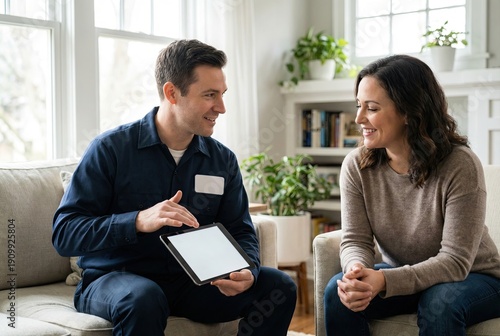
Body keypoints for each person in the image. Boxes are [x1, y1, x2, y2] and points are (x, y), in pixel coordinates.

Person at [53, 39, 297, 336]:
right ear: (172, 93)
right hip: (116, 279)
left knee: (278, 286)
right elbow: (65, 233)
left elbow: (241, 229)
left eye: (222, 94)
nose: (221, 107)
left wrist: (248, 270)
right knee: (144, 298)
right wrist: (137, 221)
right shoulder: (111, 149)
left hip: (191, 284)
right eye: (210, 95)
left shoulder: (222, 160)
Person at [324, 54, 500, 335]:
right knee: (338, 292)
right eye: (359, 105)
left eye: (371, 108)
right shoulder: (356, 166)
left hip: (474, 277)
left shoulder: (460, 164)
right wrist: (356, 271)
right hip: (403, 273)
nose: (358, 118)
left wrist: (384, 280)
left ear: (408, 112)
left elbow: (454, 262)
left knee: (440, 301)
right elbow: (355, 239)